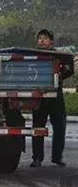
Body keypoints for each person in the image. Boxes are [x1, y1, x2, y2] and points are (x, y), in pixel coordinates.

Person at [31, 28, 71, 168]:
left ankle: (57, 157)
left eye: (45, 38)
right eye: (40, 38)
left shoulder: (59, 55)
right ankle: (37, 158)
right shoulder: (33, 56)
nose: (42, 41)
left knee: (60, 126)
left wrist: (61, 75)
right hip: (39, 95)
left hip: (55, 95)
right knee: (38, 127)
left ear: (51, 41)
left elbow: (69, 69)